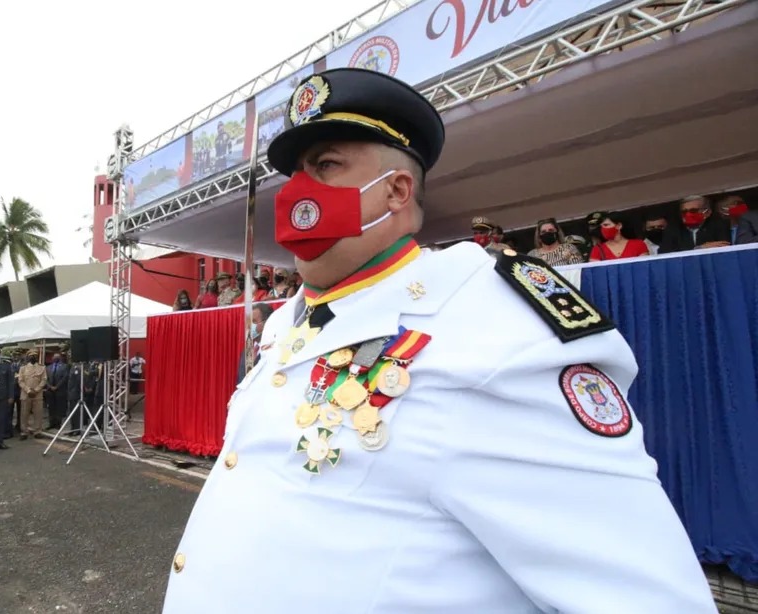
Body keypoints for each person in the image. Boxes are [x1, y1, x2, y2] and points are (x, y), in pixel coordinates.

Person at [162, 68, 715, 613]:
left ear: (397, 191)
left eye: (325, 164)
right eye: (297, 172)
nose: (300, 190)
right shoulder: (286, 321)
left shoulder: (491, 326)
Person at [17, 350, 47, 440]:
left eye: (35, 356)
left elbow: (44, 380)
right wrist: (28, 390)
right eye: (31, 356)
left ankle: (37, 431)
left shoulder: (42, 368)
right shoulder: (23, 368)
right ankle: (24, 432)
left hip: (38, 394)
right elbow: (20, 381)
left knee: (38, 413)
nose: (33, 357)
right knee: (24, 414)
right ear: (28, 357)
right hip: (26, 394)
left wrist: (36, 390)